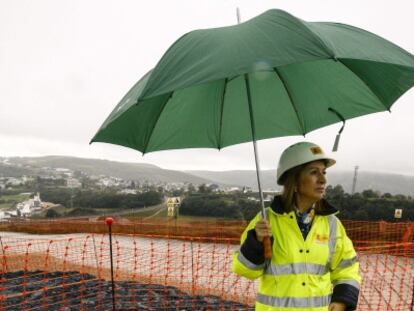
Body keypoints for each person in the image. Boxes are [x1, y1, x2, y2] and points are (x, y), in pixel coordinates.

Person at [232, 142, 361, 311]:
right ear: (294, 179)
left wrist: (342, 300)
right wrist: (256, 241)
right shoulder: (266, 220)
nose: (323, 179)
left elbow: (348, 269)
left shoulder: (332, 225)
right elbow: (245, 270)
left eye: (323, 172)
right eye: (314, 172)